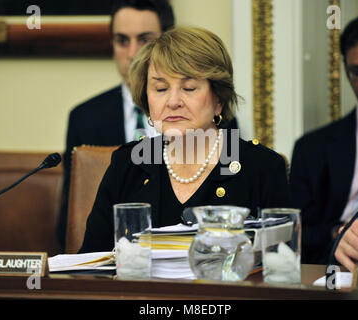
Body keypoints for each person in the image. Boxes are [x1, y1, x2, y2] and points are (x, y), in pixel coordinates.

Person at [79, 26, 291, 253]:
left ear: (219, 98)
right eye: (160, 88)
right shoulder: (128, 164)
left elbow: (283, 270)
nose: (172, 101)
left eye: (189, 88)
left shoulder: (262, 168)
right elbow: (92, 263)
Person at [57, 0, 175, 250]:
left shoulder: (204, 113)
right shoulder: (84, 117)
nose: (133, 53)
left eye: (145, 40)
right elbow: (71, 212)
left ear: (167, 42)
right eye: (122, 40)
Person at [289, 13, 358, 271]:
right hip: (339, 265)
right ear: (346, 72)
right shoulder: (312, 148)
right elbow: (294, 233)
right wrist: (337, 233)